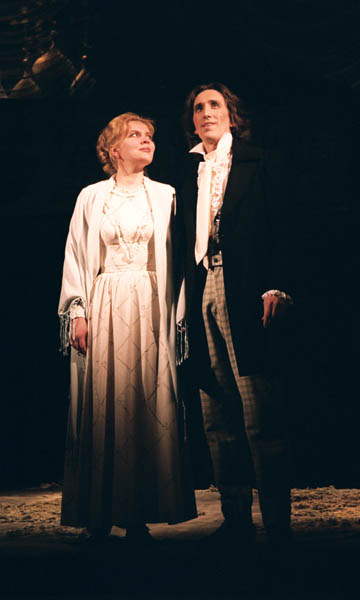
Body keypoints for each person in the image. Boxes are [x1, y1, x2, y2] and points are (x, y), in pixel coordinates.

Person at [58, 112, 196, 542]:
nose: (146, 141)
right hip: (106, 301)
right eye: (135, 135)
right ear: (114, 149)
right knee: (104, 403)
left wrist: (178, 314)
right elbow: (75, 254)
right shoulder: (92, 196)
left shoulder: (166, 195)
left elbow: (179, 257)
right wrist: (77, 311)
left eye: (150, 135)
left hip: (150, 303)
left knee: (145, 404)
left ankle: (139, 515)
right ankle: (98, 515)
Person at [178, 83, 294, 545]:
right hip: (201, 286)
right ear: (192, 121)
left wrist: (277, 284)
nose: (206, 112)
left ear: (231, 114)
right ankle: (236, 518)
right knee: (216, 414)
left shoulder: (257, 161)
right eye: (198, 107)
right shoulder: (188, 172)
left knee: (258, 413)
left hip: (246, 288)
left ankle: (277, 523)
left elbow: (285, 226)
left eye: (215, 105)